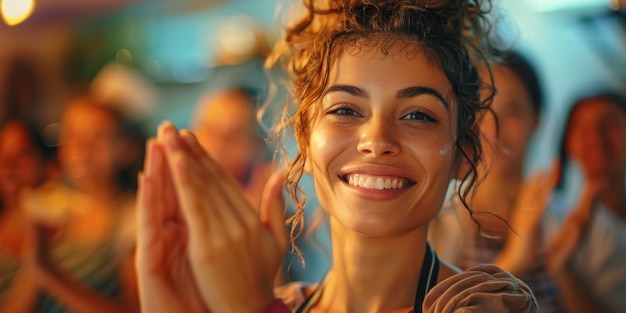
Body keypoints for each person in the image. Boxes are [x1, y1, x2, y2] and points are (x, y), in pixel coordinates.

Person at [136, 0, 539, 312]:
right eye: (345, 110)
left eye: (418, 115)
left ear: (463, 156)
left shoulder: (483, 305)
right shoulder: (280, 301)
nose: (376, 140)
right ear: (305, 140)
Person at [428, 49, 566, 312]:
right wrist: (515, 258)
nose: (495, 126)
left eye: (512, 110)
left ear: (535, 119)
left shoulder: (573, 224)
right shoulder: (433, 224)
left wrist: (565, 268)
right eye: (482, 108)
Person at [1, 96, 144, 312]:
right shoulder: (49, 205)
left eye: (98, 137)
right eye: (73, 135)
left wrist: (48, 273)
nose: (82, 148)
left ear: (127, 150)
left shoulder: (133, 219)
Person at [544, 92, 626, 313]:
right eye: (581, 128)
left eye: (608, 124)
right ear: (568, 144)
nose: (595, 137)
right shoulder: (556, 225)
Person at [0, 119, 57, 311]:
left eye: (22, 153)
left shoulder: (68, 227)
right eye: (1, 154)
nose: (8, 164)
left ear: (45, 162)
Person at [190, 87, 274, 208]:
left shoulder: (271, 213)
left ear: (257, 146)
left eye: (235, 137)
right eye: (210, 131)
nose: (219, 146)